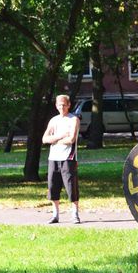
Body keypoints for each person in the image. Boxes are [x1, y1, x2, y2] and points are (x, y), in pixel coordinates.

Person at [42, 94, 81, 224]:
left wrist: (54, 139)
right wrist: (60, 136)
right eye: (59, 105)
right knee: (53, 186)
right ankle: (55, 215)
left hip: (68, 158)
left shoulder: (73, 120)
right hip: (53, 158)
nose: (62, 107)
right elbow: (44, 139)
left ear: (69, 105)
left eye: (64, 105)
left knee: (71, 187)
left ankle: (75, 214)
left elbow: (71, 140)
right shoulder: (54, 120)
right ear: (56, 106)